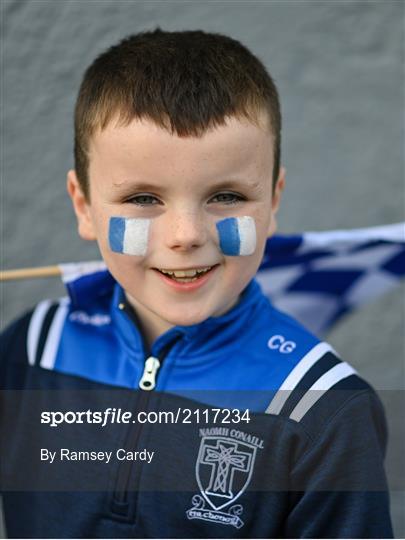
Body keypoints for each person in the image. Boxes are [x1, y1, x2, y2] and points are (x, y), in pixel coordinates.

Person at [0, 28, 394, 538]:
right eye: (143, 199)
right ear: (84, 206)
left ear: (273, 201)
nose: (186, 236)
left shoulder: (323, 409)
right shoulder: (32, 349)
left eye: (226, 196)